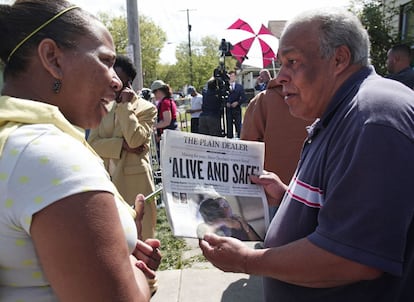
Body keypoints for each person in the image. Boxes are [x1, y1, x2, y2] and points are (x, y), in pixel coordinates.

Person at [199, 8, 414, 302]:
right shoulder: (344, 111)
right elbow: (346, 208)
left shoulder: (373, 117)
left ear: (339, 59)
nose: (280, 77)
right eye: (279, 64)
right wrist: (289, 196)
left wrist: (247, 261)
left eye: (292, 62)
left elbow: (353, 258)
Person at [0, 1, 161, 301]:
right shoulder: (49, 156)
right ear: (52, 58)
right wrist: (134, 271)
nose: (116, 81)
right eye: (105, 61)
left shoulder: (13, 142)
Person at [88, 54, 158, 240]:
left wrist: (126, 106)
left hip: (135, 183)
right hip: (106, 181)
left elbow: (136, 140)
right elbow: (92, 143)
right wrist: (121, 146)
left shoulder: (145, 108)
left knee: (141, 238)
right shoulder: (103, 107)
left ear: (128, 83)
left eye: (118, 81)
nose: (113, 86)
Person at [241, 80, 310, 217]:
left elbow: (246, 149)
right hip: (314, 198)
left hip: (271, 197)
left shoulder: (263, 100)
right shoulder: (323, 101)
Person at [197, 197, 261, 241]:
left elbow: (258, 243)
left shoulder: (240, 221)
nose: (226, 208)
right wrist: (223, 222)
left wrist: (246, 228)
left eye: (226, 205)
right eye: (221, 207)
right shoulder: (210, 228)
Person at [151, 80, 178, 156]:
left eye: (154, 92)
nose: (154, 95)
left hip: (169, 137)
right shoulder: (167, 101)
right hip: (170, 135)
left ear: (159, 91)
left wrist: (153, 126)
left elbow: (166, 121)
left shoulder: (165, 103)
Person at [226, 70, 246, 138]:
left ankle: (240, 138)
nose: (232, 78)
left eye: (233, 76)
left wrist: (237, 102)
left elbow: (244, 98)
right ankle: (230, 138)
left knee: (238, 125)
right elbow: (222, 97)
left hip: (237, 109)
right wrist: (226, 103)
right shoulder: (225, 87)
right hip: (228, 110)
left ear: (235, 77)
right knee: (229, 126)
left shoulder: (239, 87)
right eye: (230, 76)